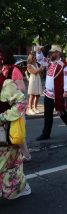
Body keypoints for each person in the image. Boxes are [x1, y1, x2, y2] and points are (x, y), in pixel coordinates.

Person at [0, 58, 31, 199]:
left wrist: (3, 116)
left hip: (3, 134)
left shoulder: (5, 84)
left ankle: (21, 187)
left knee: (10, 166)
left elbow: (22, 102)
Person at [36, 45, 67, 141]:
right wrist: (38, 51)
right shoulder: (49, 63)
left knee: (61, 113)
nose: (50, 54)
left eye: (53, 52)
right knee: (47, 114)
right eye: (50, 52)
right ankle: (46, 133)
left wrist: (66, 91)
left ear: (58, 53)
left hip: (58, 93)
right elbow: (40, 60)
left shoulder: (64, 65)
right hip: (48, 93)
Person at [0, 45, 31, 160]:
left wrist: (9, 89)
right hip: (6, 108)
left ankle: (26, 156)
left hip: (14, 108)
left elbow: (22, 88)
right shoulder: (3, 69)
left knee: (17, 136)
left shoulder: (13, 69)